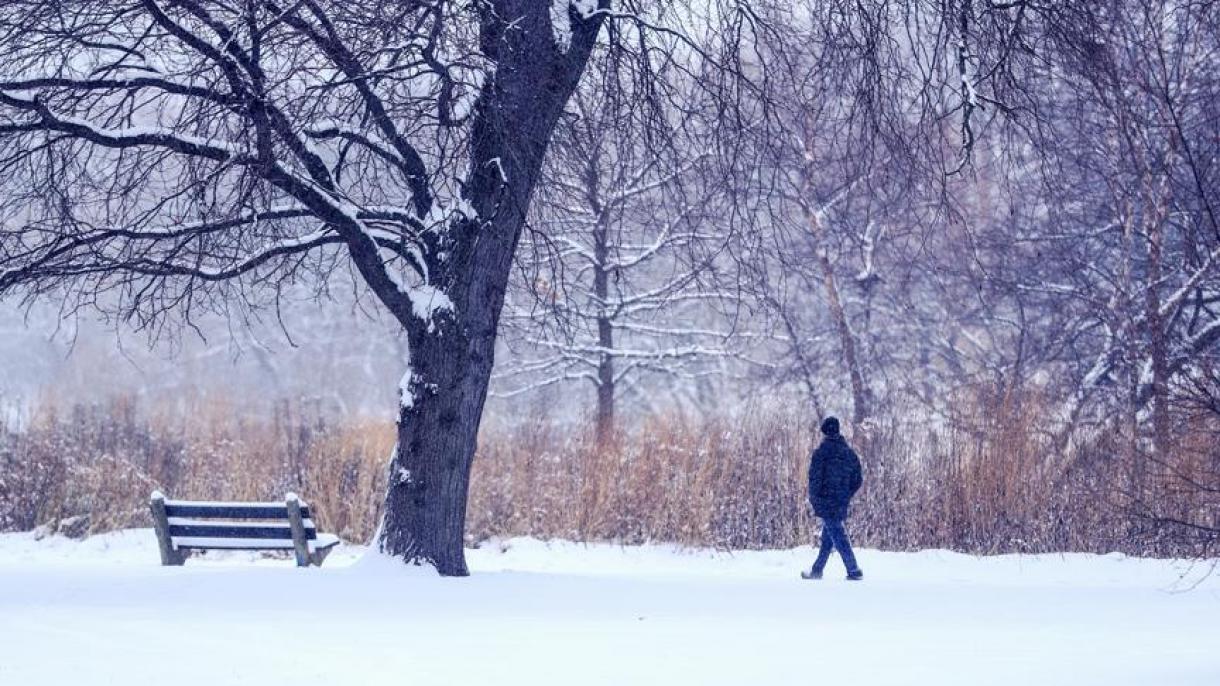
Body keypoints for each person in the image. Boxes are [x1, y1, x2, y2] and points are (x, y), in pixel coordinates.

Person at [802, 416, 864, 581]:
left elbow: (814, 479)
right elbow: (858, 479)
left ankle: (853, 569)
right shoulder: (849, 453)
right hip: (841, 500)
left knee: (837, 534)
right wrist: (846, 494)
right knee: (828, 537)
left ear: (824, 432)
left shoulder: (820, 453)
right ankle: (817, 570)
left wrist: (814, 499)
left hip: (825, 500)